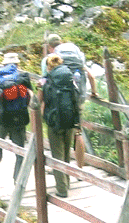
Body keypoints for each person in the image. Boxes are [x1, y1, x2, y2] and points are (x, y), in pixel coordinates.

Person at [0, 52, 33, 185]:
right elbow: (30, 99)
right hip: (19, 119)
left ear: (3, 64)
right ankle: (18, 181)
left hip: (1, 120)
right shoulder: (22, 78)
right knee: (20, 152)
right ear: (17, 64)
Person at [41, 53, 80, 197]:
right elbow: (76, 97)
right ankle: (67, 181)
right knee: (66, 153)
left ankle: (62, 189)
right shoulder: (70, 78)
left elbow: (45, 101)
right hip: (69, 119)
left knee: (57, 155)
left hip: (55, 121)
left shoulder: (49, 81)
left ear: (49, 67)